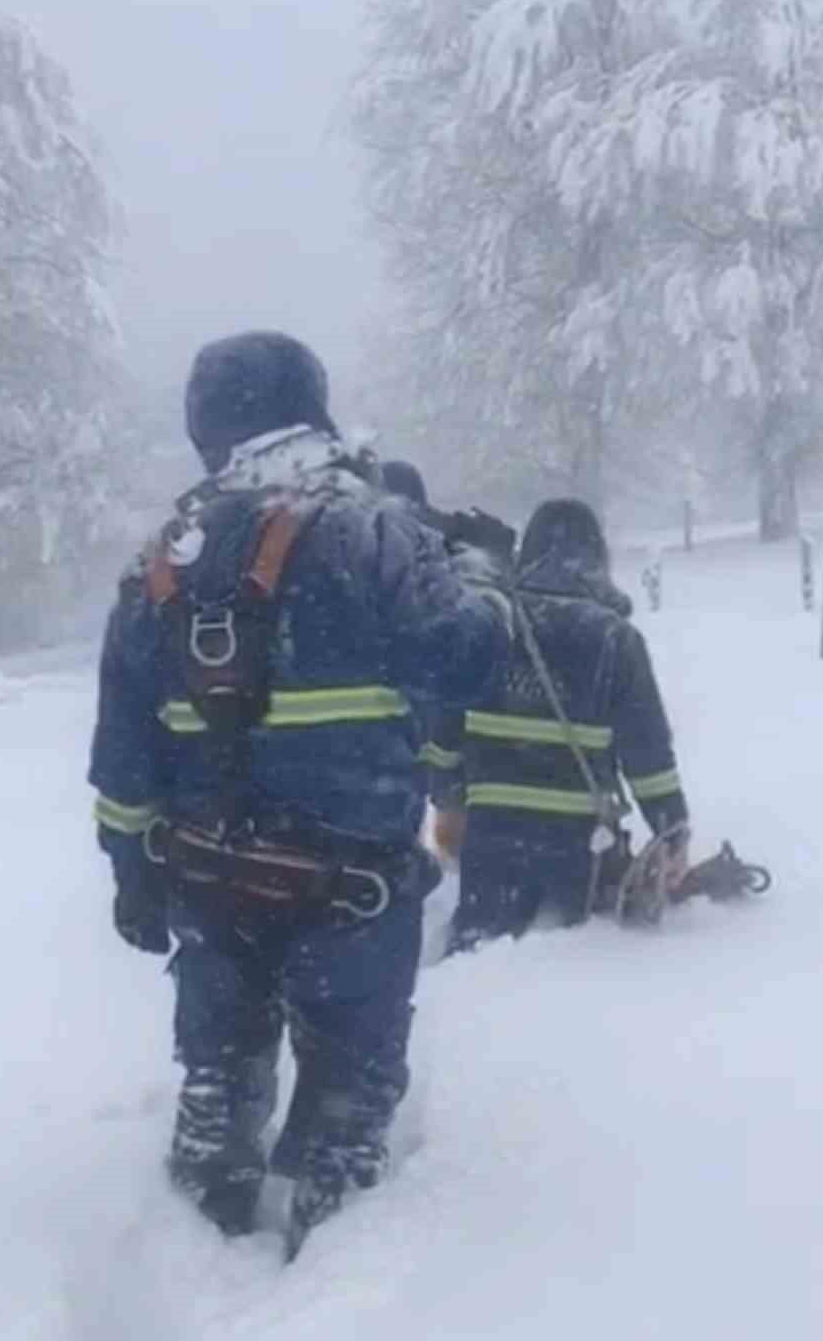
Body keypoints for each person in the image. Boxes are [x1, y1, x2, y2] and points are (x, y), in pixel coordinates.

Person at [88, 331, 511, 1257]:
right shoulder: (374, 532)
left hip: (207, 883)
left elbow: (123, 751)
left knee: (220, 1075)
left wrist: (130, 870)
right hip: (347, 889)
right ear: (311, 408)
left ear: (206, 427)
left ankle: (201, 1239)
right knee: (348, 1096)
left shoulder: (161, 558)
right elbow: (467, 663)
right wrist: (481, 574)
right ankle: (333, 1273)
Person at [428, 498, 690, 947]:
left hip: (490, 832)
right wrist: (672, 829)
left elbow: (445, 728)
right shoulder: (615, 638)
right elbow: (647, 753)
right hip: (578, 840)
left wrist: (448, 799)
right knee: (566, 952)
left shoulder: (491, 621)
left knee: (479, 945)